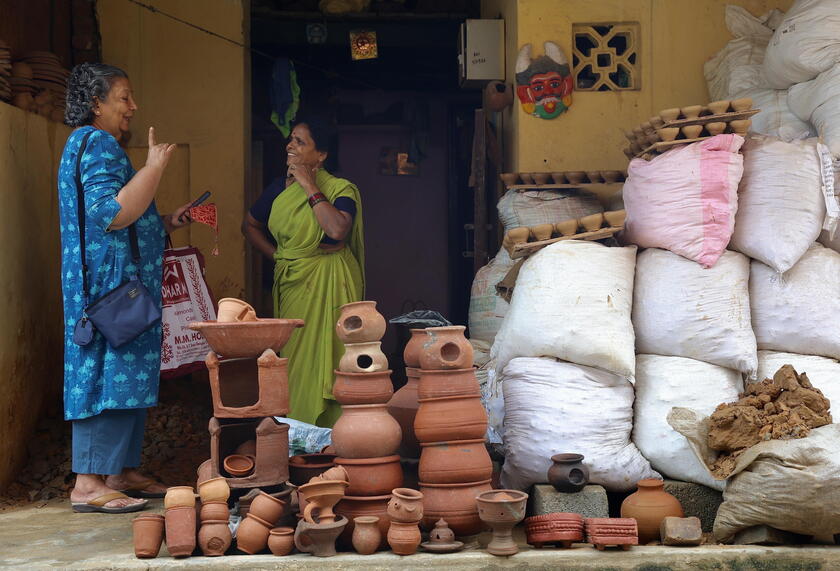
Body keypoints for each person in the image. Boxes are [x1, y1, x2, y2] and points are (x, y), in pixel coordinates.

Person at [59, 63, 192, 513]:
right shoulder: (95, 142)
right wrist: (153, 168)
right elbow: (109, 215)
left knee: (127, 373)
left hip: (120, 283)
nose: (133, 107)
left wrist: (165, 220)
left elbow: (127, 217)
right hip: (108, 288)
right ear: (96, 103)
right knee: (106, 372)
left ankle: (118, 471)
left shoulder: (95, 144)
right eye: (123, 97)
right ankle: (89, 483)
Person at [243, 117, 364, 427]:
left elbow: (337, 228)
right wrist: (278, 256)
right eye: (291, 140)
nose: (290, 146)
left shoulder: (340, 189)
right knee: (294, 358)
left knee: (334, 358)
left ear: (320, 155)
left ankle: (334, 438)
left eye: (300, 141)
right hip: (295, 282)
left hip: (331, 282)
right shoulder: (277, 190)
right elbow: (250, 225)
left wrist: (309, 184)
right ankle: (296, 436)